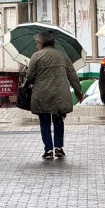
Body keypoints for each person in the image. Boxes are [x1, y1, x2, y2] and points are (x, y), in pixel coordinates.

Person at [27, 31, 83, 160]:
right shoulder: (62, 56)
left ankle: (48, 150)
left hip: (42, 94)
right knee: (58, 121)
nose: (36, 45)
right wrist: (78, 92)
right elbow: (72, 75)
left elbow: (30, 76)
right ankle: (58, 147)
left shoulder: (36, 56)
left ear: (41, 43)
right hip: (60, 94)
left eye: (37, 43)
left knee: (45, 122)